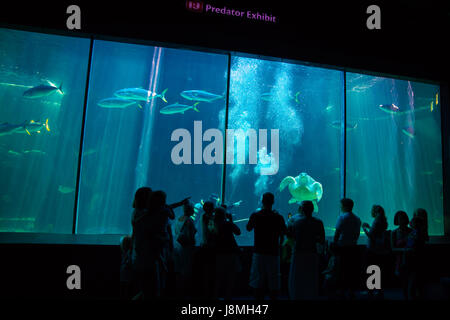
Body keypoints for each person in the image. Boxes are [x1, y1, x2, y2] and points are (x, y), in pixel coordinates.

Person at [247, 192, 287, 300]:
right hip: (273, 252)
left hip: (258, 252)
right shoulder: (278, 217)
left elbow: (248, 228)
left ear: (262, 201)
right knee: (274, 280)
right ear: (273, 202)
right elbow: (285, 231)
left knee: (257, 279)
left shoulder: (256, 215)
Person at [287, 200, 325, 300]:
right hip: (312, 253)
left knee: (297, 278)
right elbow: (322, 240)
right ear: (313, 209)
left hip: (298, 253)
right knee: (311, 278)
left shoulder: (296, 222)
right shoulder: (318, 222)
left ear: (301, 209)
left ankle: (296, 297)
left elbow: (290, 236)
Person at [330, 198, 361, 299]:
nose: (340, 207)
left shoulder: (342, 218)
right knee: (351, 270)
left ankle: (341, 291)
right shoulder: (357, 219)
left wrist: (334, 243)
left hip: (342, 248)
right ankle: (351, 290)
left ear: (345, 206)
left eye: (341, 205)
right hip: (353, 248)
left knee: (341, 269)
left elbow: (337, 232)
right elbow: (356, 234)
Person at [362, 204, 391, 299]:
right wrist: (370, 227)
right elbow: (376, 232)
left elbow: (371, 235)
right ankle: (378, 290)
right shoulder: (383, 220)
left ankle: (370, 291)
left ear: (375, 211)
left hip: (372, 249)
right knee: (378, 269)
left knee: (371, 269)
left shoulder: (377, 220)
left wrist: (364, 228)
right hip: (379, 249)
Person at [213, 206, 241, 300]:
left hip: (218, 253)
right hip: (230, 253)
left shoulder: (214, 224)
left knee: (218, 276)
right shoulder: (227, 224)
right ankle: (227, 297)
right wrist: (231, 219)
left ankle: (216, 296)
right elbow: (238, 232)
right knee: (230, 276)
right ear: (224, 214)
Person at [173, 201, 197, 298]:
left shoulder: (179, 219)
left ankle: (177, 290)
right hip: (186, 247)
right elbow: (190, 235)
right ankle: (184, 292)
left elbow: (175, 232)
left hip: (177, 246)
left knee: (178, 269)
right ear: (190, 210)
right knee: (186, 269)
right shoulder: (189, 220)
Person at [404, 208, 429, 300]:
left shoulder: (416, 233)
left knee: (413, 279)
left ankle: (413, 296)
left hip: (414, 258)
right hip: (416, 258)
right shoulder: (419, 232)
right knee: (417, 280)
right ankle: (417, 295)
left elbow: (412, 245)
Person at [390, 210, 413, 299]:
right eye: (399, 219)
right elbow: (392, 248)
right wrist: (405, 250)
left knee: (411, 283)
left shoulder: (412, 231)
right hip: (400, 260)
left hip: (412, 259)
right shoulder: (394, 232)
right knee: (404, 282)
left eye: (403, 218)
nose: (401, 221)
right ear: (397, 220)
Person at [120, 235, 133, 299]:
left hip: (127, 277)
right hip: (126, 277)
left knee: (127, 292)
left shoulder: (128, 254)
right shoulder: (126, 254)